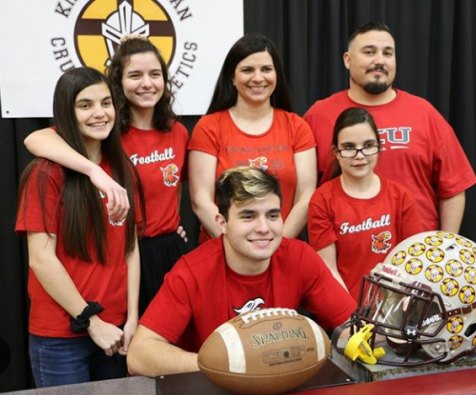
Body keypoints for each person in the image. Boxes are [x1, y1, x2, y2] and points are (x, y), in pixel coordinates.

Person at [126, 166, 356, 376]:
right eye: (248, 216)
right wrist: (228, 366)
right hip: (211, 387)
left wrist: (362, 341)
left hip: (280, 383)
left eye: (273, 215)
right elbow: (139, 355)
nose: (264, 228)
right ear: (222, 222)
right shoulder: (192, 272)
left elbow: (352, 327)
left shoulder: (300, 257)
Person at [24, 36, 189, 315]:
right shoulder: (106, 132)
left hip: (169, 249)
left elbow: (175, 188)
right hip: (128, 253)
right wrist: (94, 171)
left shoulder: (178, 132)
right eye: (135, 75)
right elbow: (35, 140)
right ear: (118, 82)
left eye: (155, 74)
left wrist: (172, 225)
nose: (147, 83)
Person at [15, 67, 142, 386]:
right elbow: (41, 259)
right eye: (85, 105)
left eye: (106, 103)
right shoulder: (46, 173)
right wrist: (91, 322)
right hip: (62, 337)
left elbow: (130, 247)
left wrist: (133, 318)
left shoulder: (121, 167)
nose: (99, 113)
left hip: (114, 332)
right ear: (66, 113)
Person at [304, 22, 476, 233]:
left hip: (414, 256)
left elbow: (453, 187)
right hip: (343, 256)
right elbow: (302, 191)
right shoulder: (319, 115)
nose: (379, 60)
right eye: (369, 52)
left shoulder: (423, 113)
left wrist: (445, 247)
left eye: (388, 53)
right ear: (347, 60)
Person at [188, 33, 317, 242]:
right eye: (247, 70)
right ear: (232, 76)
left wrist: (273, 244)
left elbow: (306, 197)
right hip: (223, 250)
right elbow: (200, 200)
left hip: (282, 248)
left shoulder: (297, 127)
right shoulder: (209, 127)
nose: (258, 78)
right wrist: (237, 246)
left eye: (266, 69)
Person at [308, 107, 423, 298]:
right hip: (345, 312)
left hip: (393, 312)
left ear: (379, 147)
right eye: (349, 147)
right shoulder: (322, 200)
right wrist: (352, 317)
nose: (360, 155)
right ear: (336, 152)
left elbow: (413, 262)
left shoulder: (400, 196)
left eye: (368, 145)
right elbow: (328, 271)